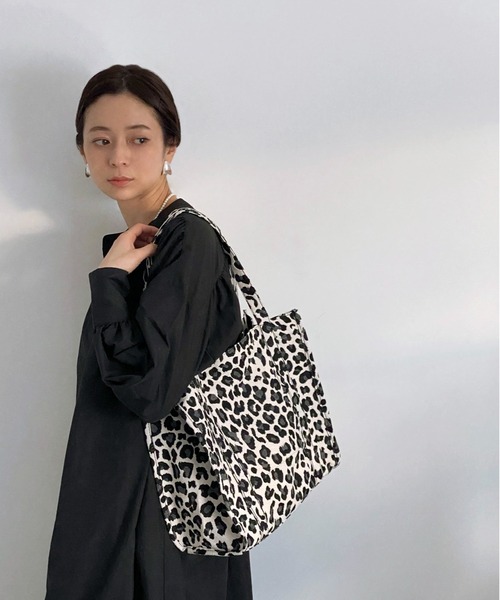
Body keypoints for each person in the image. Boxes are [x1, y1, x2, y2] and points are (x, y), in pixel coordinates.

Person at [45, 64, 253, 600]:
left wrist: (110, 280)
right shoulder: (143, 243)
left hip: (160, 506)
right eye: (101, 140)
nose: (118, 157)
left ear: (169, 147)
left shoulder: (189, 242)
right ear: (82, 151)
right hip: (116, 491)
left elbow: (151, 390)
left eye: (138, 139)